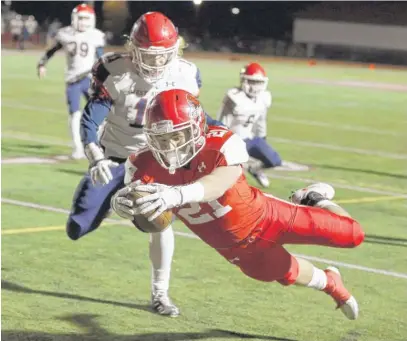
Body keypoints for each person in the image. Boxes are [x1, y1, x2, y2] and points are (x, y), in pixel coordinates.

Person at [111, 89, 365, 320]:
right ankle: (332, 283)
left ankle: (314, 199)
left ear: (197, 127)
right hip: (235, 247)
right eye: (161, 139)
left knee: (353, 235)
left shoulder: (221, 142)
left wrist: (175, 195)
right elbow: (151, 221)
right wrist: (125, 206)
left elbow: (219, 182)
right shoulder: (141, 164)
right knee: (285, 272)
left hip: (269, 217)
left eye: (177, 136)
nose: (170, 147)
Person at [66, 11, 221, 317]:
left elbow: (196, 117)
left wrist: (224, 137)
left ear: (174, 50)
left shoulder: (186, 74)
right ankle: (111, 200)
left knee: (160, 223)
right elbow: (92, 115)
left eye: (162, 55)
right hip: (115, 155)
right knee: (77, 227)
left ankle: (160, 293)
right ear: (132, 49)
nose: (155, 63)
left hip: (157, 160)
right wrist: (95, 155)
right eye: (148, 55)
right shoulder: (114, 70)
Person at [217, 62, 308, 188]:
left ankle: (254, 168)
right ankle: (243, 166)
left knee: (274, 161)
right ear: (243, 81)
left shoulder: (263, 98)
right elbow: (223, 121)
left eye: (257, 82)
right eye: (251, 82)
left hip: (250, 138)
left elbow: (261, 120)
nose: (254, 86)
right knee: (230, 169)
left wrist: (262, 137)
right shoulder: (234, 97)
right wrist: (223, 142)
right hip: (233, 140)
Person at [37, 4, 105, 159]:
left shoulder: (95, 35)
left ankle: (100, 144)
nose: (83, 22)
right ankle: (78, 147)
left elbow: (101, 59)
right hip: (73, 80)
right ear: (74, 18)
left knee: (98, 114)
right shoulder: (65, 34)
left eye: (86, 19)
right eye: (80, 18)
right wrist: (41, 64)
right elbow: (51, 51)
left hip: (89, 79)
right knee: (75, 114)